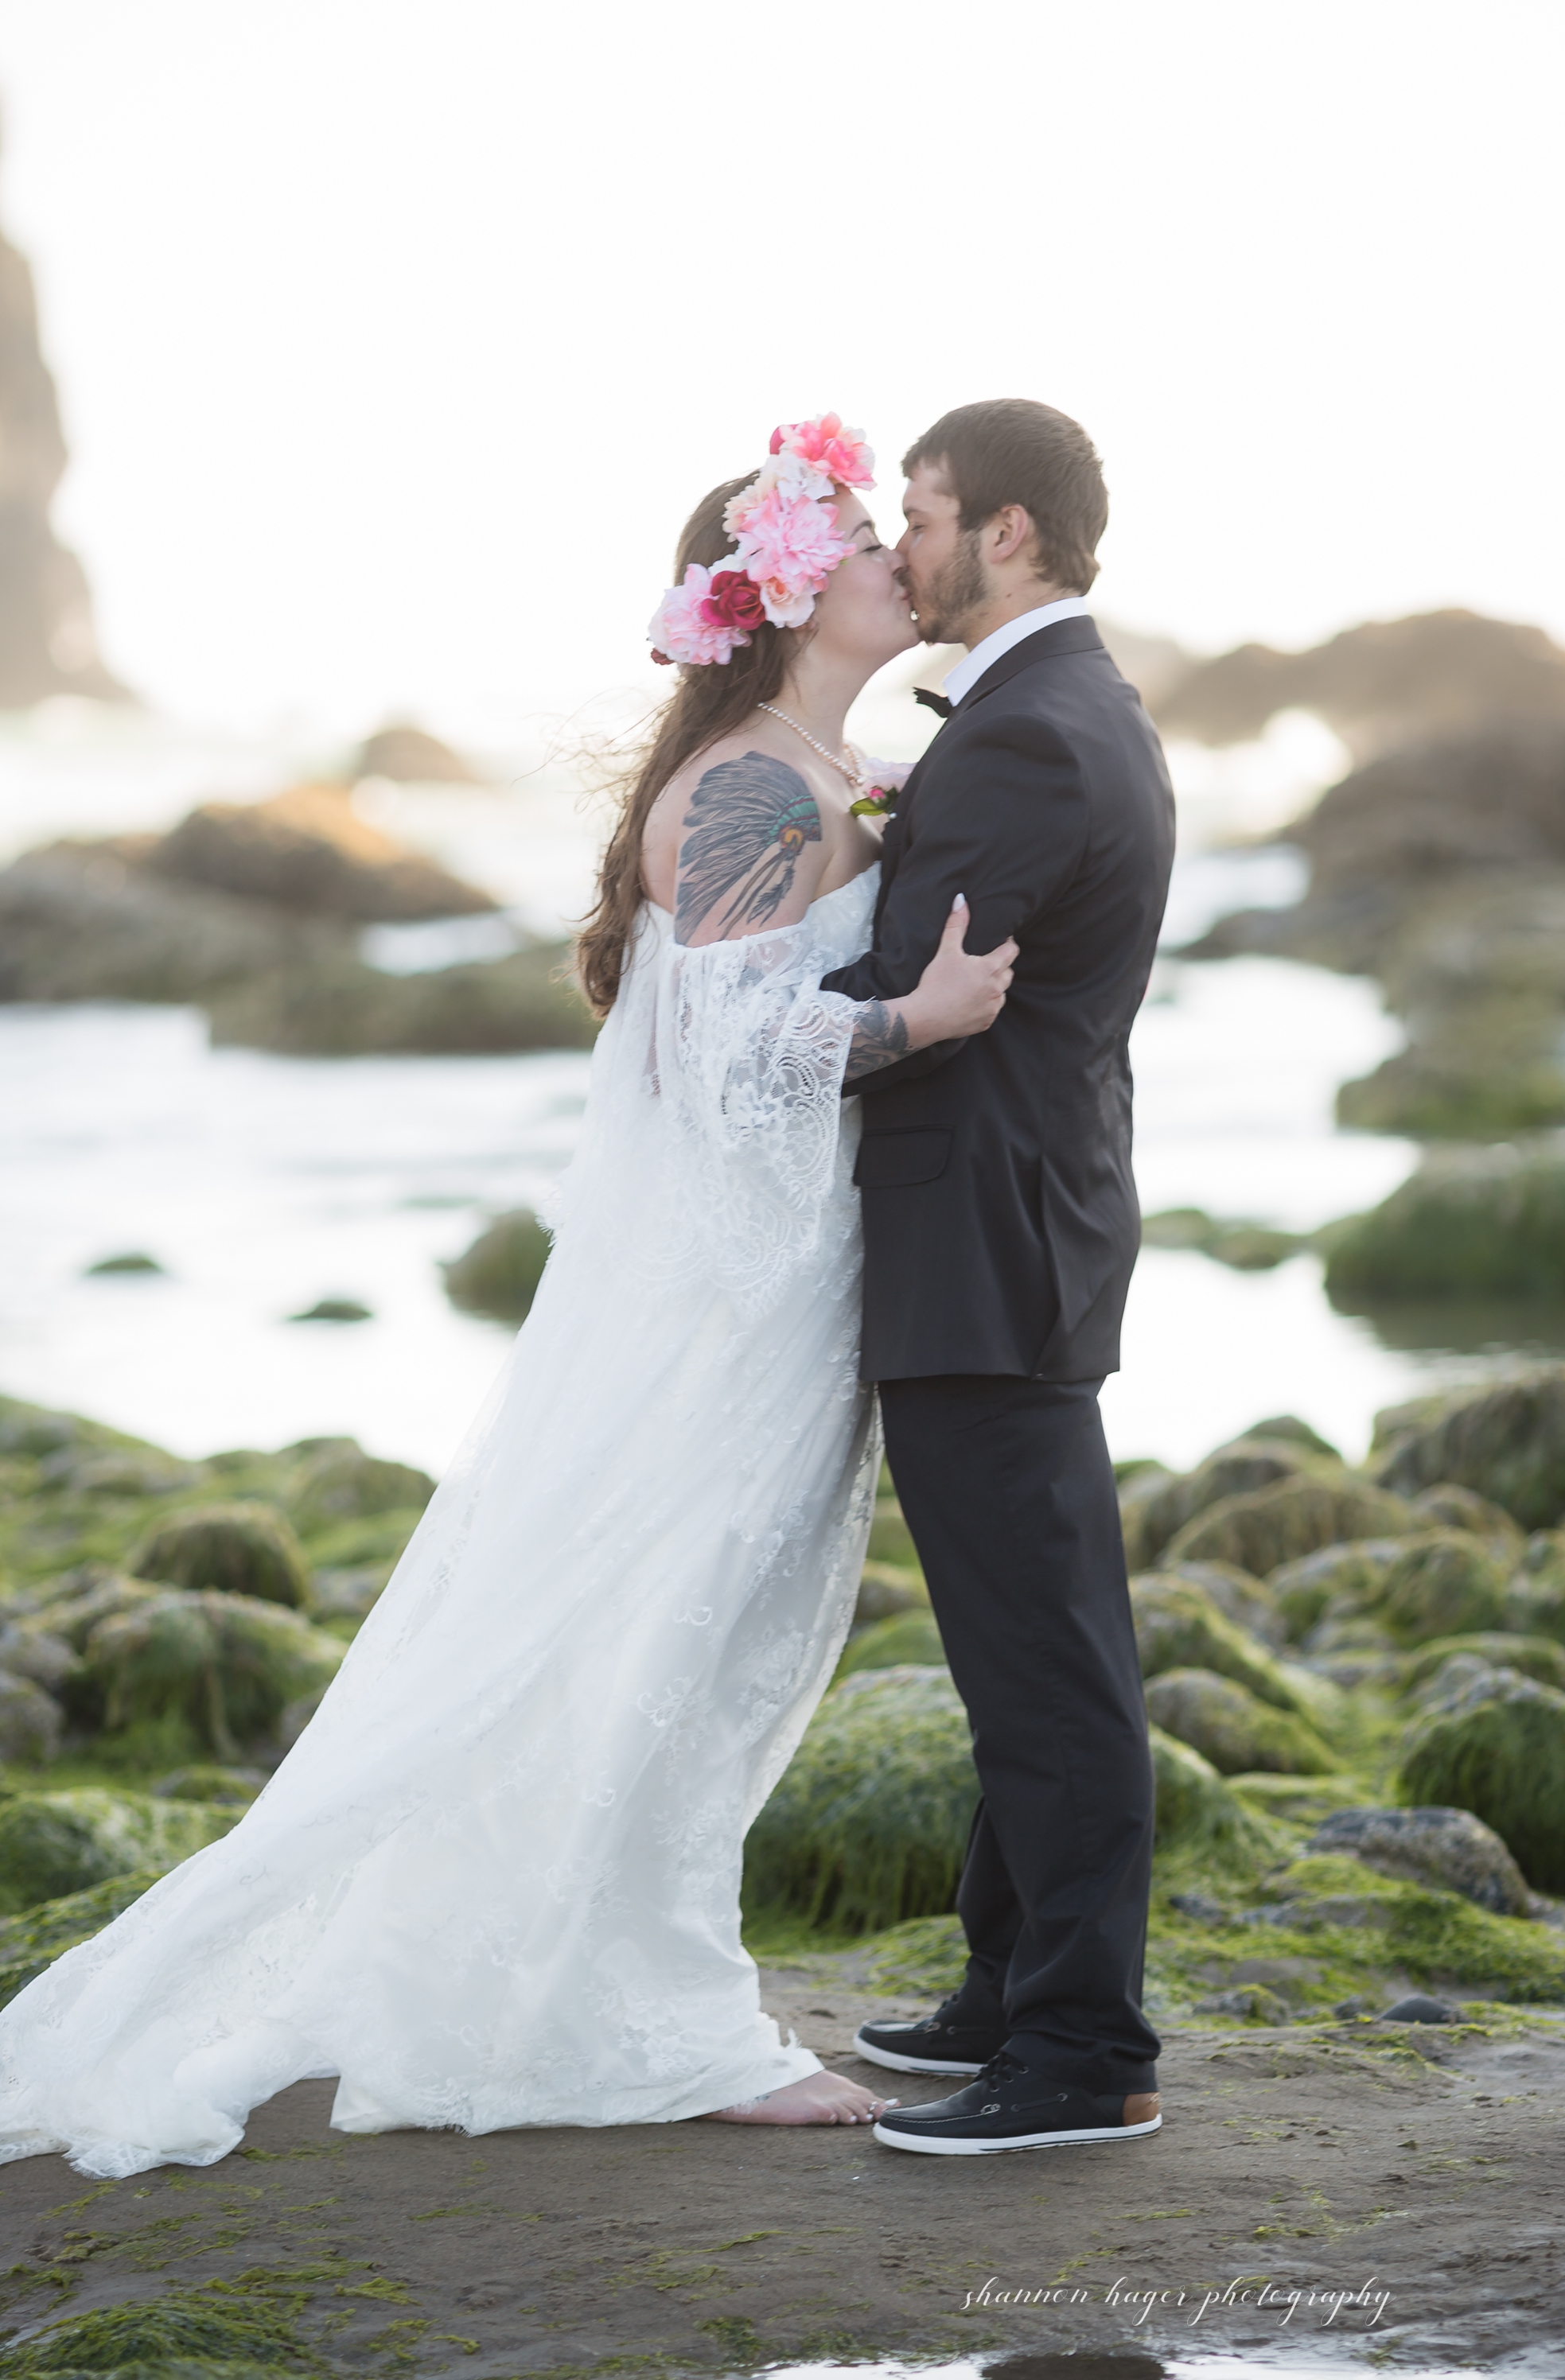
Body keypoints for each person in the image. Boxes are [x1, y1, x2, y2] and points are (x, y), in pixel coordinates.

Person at [0, 415, 1014, 2176]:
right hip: (722, 1298)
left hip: (766, 1276)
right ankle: (669, 2018)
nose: (888, 560)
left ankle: (602, 1986)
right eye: (853, 540)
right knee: (666, 1643)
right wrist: (912, 1022)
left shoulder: (808, 769)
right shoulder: (758, 787)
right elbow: (716, 1056)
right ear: (782, 594)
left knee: (683, 1647)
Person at [827, 399, 1177, 2155]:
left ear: (1011, 533)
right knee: (1017, 1634)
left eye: (925, 511)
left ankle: (1079, 2049)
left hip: (987, 1235)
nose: (903, 544)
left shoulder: (1033, 735)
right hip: (1016, 1219)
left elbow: (900, 980)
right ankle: (1006, 1975)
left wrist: (739, 970)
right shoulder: (1058, 707)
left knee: (1044, 1655)